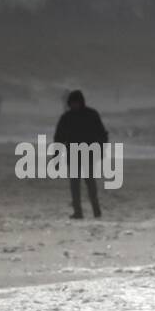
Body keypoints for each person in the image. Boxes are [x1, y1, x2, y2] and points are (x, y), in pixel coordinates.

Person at [54, 90, 108, 219]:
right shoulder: (66, 118)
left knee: (91, 185)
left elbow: (102, 134)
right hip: (72, 155)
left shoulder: (92, 114)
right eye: (72, 103)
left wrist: (101, 149)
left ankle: (96, 211)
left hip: (88, 154)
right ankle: (78, 212)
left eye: (76, 102)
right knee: (75, 186)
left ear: (81, 102)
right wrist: (56, 158)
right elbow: (59, 139)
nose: (74, 105)